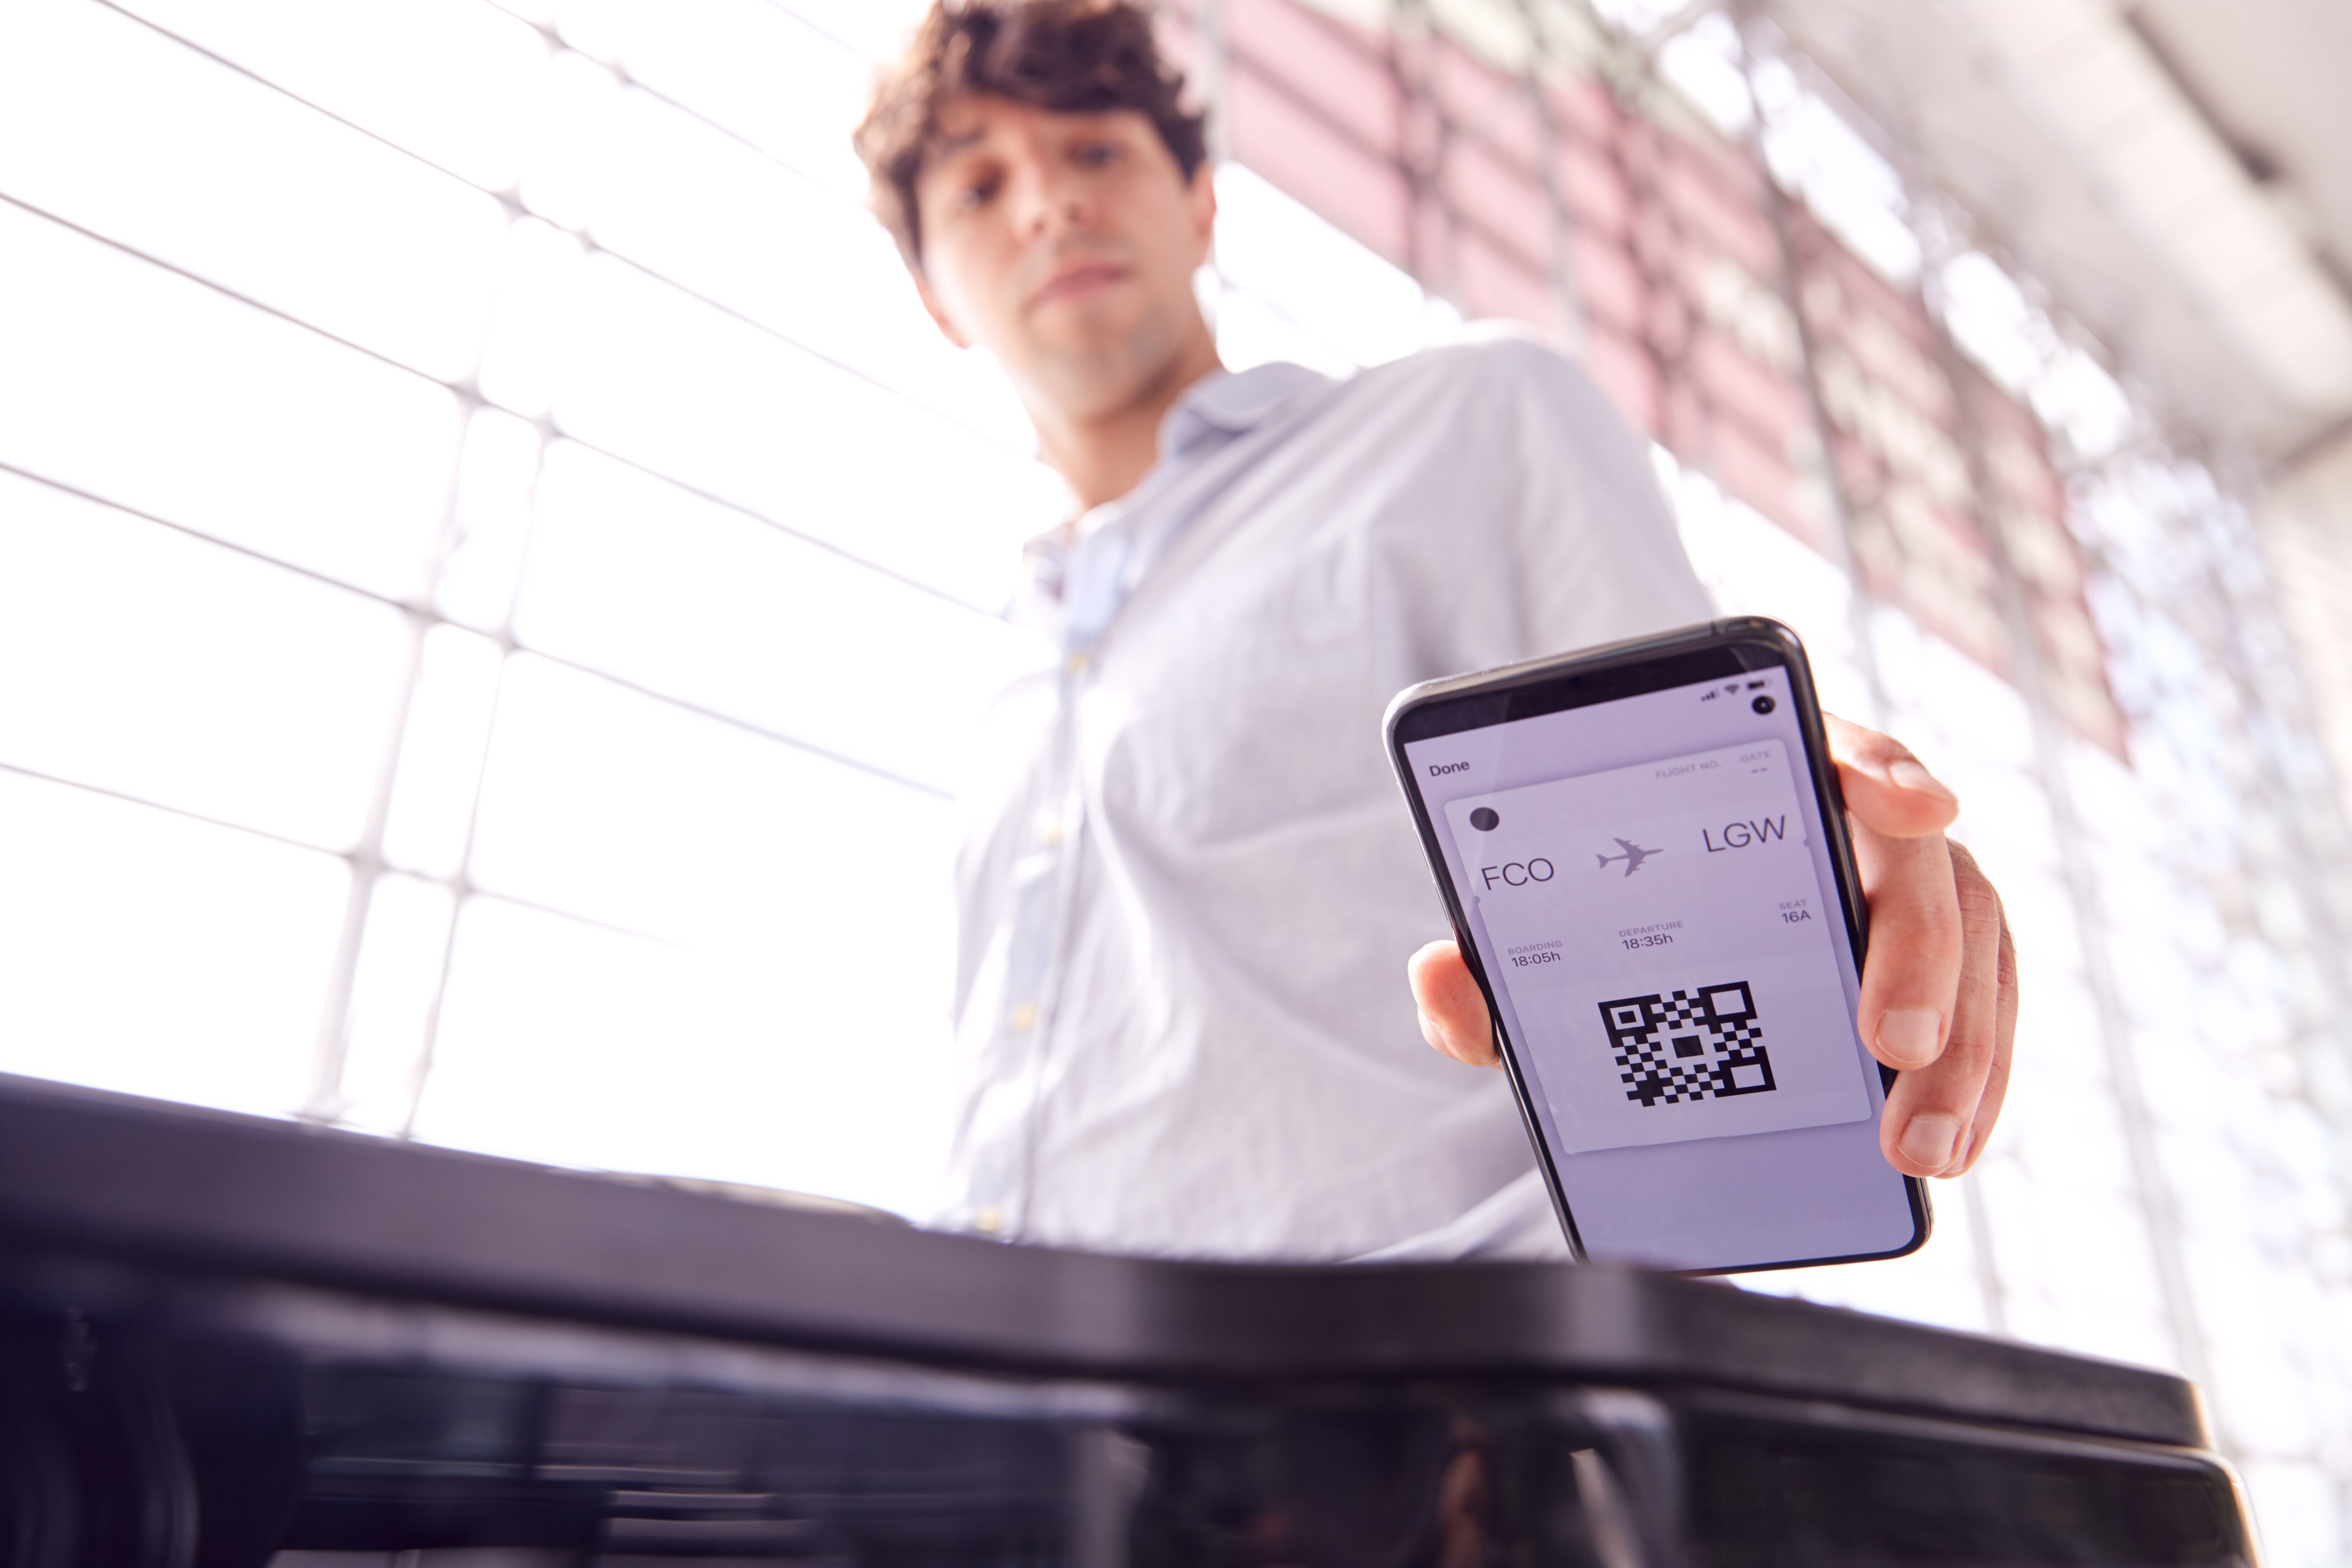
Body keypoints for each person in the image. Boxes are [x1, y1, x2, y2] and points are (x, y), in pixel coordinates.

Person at [853, 0, 2016, 1261]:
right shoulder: (1003, 672)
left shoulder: (1467, 426)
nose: (1047, 207)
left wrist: (1806, 844)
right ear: (933, 300)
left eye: (1094, 152)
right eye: (978, 189)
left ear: (1201, 207)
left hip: (1430, 1371)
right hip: (1021, 1410)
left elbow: (1685, 837)